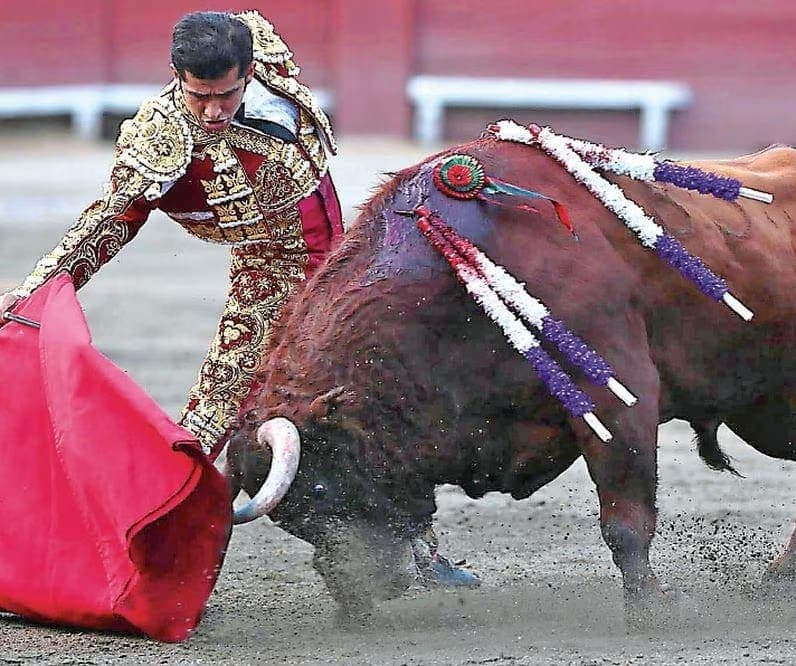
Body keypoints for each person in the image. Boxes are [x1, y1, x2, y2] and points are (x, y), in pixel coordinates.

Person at [0, 10, 477, 589]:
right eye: (197, 96)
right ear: (177, 77)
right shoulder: (162, 140)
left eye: (224, 95)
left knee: (389, 397)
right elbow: (106, 225)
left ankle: (417, 555)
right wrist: (39, 288)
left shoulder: (268, 59)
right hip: (270, 280)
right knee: (210, 421)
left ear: (249, 73)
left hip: (350, 269)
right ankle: (142, 563)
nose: (211, 111)